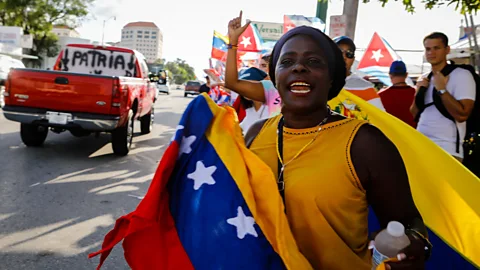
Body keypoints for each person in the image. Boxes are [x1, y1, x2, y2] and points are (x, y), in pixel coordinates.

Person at [228, 12, 429, 270]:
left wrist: (413, 245)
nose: (298, 68)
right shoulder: (256, 134)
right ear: (275, 77)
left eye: (313, 61)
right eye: (287, 61)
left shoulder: (364, 143)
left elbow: (409, 221)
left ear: (332, 78)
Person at [411, 32, 476, 162]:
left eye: (436, 48)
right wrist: (419, 91)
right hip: (420, 145)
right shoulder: (425, 77)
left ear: (447, 50)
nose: (431, 52)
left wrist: (442, 90)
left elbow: (462, 115)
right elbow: (414, 113)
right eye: (428, 49)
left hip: (448, 149)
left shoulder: (462, 75)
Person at [334, 36, 386, 111]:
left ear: (353, 59)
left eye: (349, 53)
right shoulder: (317, 83)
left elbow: (380, 118)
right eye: (339, 52)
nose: (344, 57)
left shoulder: (365, 88)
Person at [378, 60, 417, 128]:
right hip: (412, 136)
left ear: (390, 75)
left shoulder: (380, 96)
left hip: (390, 136)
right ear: (406, 74)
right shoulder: (417, 93)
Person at [237, 67, 270, 135]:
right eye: (242, 86)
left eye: (250, 85)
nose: (245, 90)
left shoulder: (275, 109)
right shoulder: (250, 111)